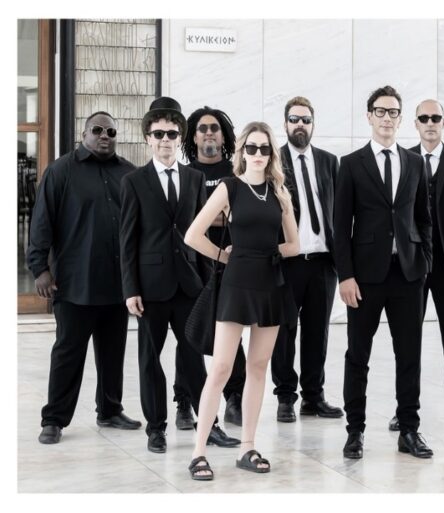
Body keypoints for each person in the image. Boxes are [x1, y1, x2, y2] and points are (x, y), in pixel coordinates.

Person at [120, 96, 238, 453]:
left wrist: (208, 283)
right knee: (149, 361)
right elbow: (127, 240)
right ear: (148, 138)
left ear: (179, 137)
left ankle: (210, 425)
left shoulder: (194, 178)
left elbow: (198, 234)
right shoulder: (133, 181)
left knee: (194, 360)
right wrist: (130, 289)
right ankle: (156, 428)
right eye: (158, 134)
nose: (165, 140)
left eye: (172, 133)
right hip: (150, 288)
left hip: (189, 285)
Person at [184, 121, 300, 480]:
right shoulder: (229, 187)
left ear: (271, 153)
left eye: (264, 148)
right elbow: (193, 235)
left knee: (258, 367)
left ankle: (248, 446)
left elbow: (294, 245)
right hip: (236, 284)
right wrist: (226, 258)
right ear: (242, 152)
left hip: (270, 283)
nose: (258, 154)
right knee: (221, 368)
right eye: (252, 147)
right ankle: (198, 452)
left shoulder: (280, 192)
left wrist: (268, 252)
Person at [28, 111, 141, 444]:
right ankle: (54, 419)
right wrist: (39, 268)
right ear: (84, 134)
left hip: (117, 283)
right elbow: (42, 221)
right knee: (68, 352)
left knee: (113, 352)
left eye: (111, 131)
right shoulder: (60, 171)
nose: (104, 135)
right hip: (74, 282)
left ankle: (110, 410)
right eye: (97, 130)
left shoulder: (128, 173)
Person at [334, 85, 433, 460]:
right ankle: (355, 432)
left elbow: (423, 218)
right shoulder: (351, 164)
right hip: (364, 277)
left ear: (401, 118)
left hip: (408, 274)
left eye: (393, 112)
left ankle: (409, 430)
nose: (387, 118)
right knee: (358, 356)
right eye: (381, 111)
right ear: (369, 116)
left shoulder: (414, 162)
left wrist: (424, 261)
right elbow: (340, 226)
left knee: (409, 356)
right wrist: (345, 275)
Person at [387, 99, 444, 433]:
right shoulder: (404, 159)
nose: (430, 123)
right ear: (415, 124)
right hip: (413, 264)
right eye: (423, 118)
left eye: (435, 117)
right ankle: (405, 408)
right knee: (408, 338)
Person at [272, 96, 343, 423]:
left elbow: (339, 212)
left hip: (323, 262)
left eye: (306, 120)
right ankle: (285, 397)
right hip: (288, 262)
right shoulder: (273, 161)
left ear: (313, 125)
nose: (300, 125)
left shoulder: (329, 162)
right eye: (294, 119)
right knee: (284, 332)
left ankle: (313, 398)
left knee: (317, 333)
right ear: (285, 124)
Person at [176, 105, 247, 429]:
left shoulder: (236, 172)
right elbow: (185, 222)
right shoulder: (185, 174)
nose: (208, 133)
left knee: (231, 332)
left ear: (223, 135)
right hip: (193, 263)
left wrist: (208, 214)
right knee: (189, 335)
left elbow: (237, 214)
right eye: (202, 128)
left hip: (231, 262)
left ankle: (234, 398)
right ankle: (183, 402)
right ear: (193, 136)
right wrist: (215, 214)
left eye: (214, 128)